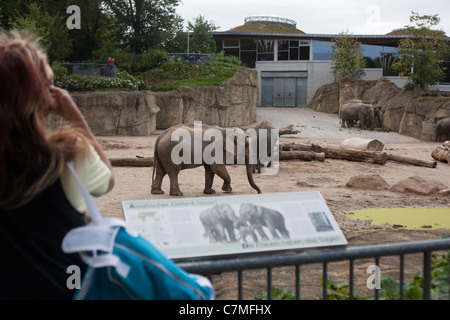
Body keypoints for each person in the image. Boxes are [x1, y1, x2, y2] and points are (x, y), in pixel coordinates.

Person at [0, 30, 115, 299]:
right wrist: (75, 117)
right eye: (48, 83)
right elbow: (108, 179)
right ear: (44, 97)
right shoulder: (69, 153)